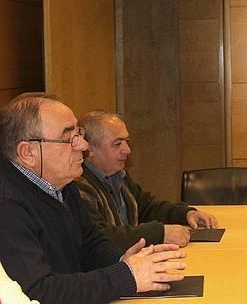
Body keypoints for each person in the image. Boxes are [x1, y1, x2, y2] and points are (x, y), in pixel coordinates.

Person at [0, 93, 186, 303]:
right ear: (28, 152)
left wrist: (122, 260)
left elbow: (89, 243)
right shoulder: (7, 206)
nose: (84, 146)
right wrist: (126, 276)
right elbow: (39, 292)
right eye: (69, 138)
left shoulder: (63, 183)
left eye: (79, 133)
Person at [75, 110, 218, 250]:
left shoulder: (118, 176)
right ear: (90, 148)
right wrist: (159, 233)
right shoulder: (78, 186)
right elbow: (101, 236)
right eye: (117, 144)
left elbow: (147, 208)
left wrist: (186, 213)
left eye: (126, 141)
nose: (127, 150)